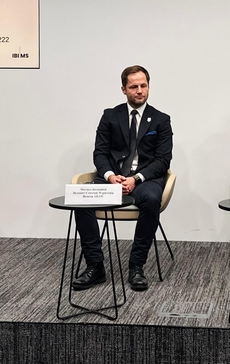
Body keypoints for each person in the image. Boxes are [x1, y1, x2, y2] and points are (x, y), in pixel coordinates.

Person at [72, 65, 173, 292]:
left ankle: (136, 265)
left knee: (151, 200)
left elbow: (163, 160)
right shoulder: (110, 116)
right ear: (123, 89)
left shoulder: (161, 120)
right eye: (134, 86)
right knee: (81, 200)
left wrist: (136, 178)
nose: (139, 91)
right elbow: (100, 153)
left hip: (144, 180)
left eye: (143, 85)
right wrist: (110, 176)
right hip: (112, 179)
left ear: (149, 86)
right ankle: (95, 265)